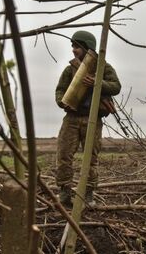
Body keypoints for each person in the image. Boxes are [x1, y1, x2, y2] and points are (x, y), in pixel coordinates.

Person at [55, 30, 121, 206]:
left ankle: (89, 194)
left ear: (87, 47)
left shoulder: (103, 67)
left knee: (90, 158)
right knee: (63, 155)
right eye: (73, 46)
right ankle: (64, 193)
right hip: (71, 119)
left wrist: (97, 82)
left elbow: (116, 86)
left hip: (93, 119)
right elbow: (60, 91)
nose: (74, 50)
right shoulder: (70, 69)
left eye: (77, 46)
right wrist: (62, 103)